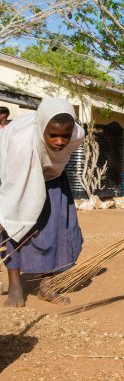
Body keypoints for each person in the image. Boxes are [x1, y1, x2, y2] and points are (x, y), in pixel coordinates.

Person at [0, 98, 84, 307]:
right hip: (17, 176)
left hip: (53, 179)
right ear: (40, 129)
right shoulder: (22, 143)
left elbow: (59, 157)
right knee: (14, 226)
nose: (59, 141)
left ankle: (47, 286)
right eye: (53, 135)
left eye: (65, 135)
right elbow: (14, 187)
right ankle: (15, 285)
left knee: (57, 230)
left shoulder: (77, 135)